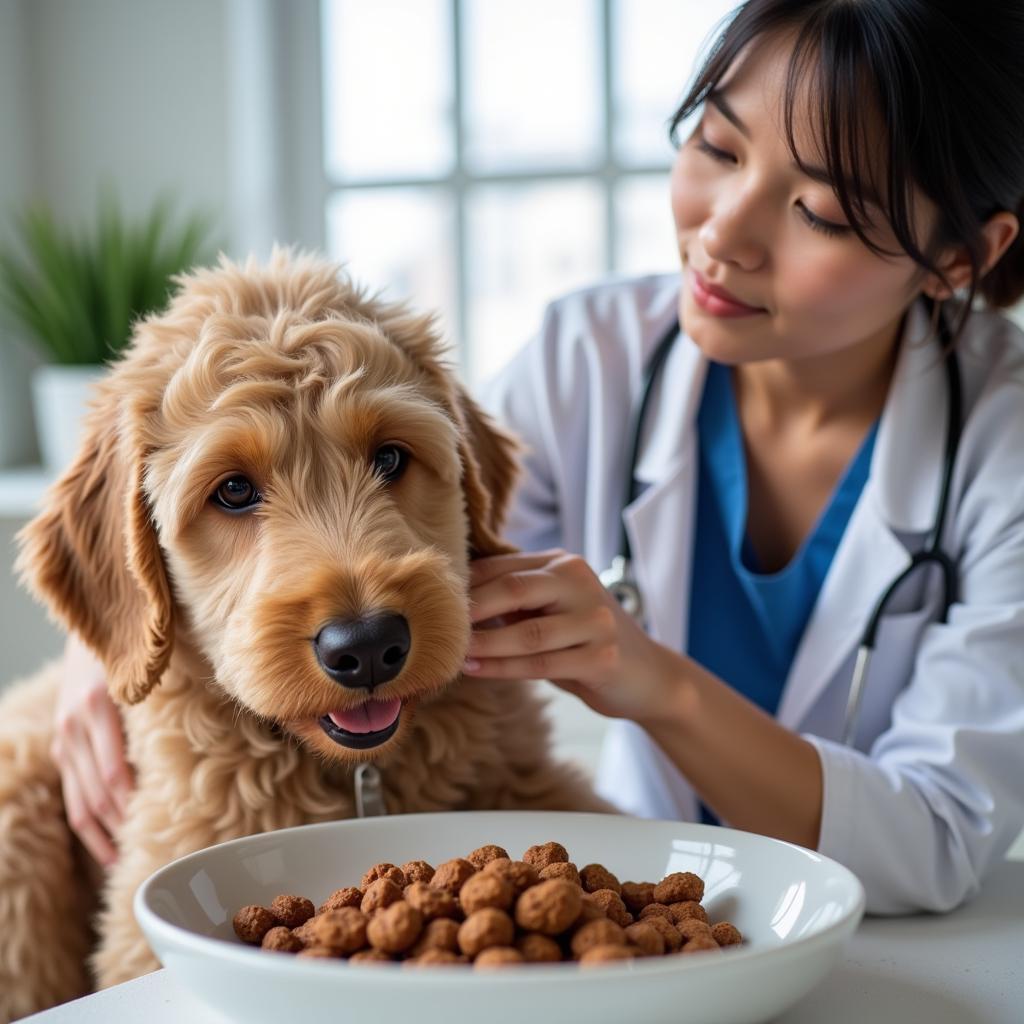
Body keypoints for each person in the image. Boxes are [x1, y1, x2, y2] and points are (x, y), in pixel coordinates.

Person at [57, 0, 1024, 914]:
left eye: (821, 210)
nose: (723, 233)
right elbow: (325, 524)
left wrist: (656, 684)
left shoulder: (1003, 444)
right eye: (716, 147)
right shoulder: (592, 359)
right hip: (632, 903)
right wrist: (99, 648)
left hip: (895, 946)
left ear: (958, 256)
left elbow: (940, 839)